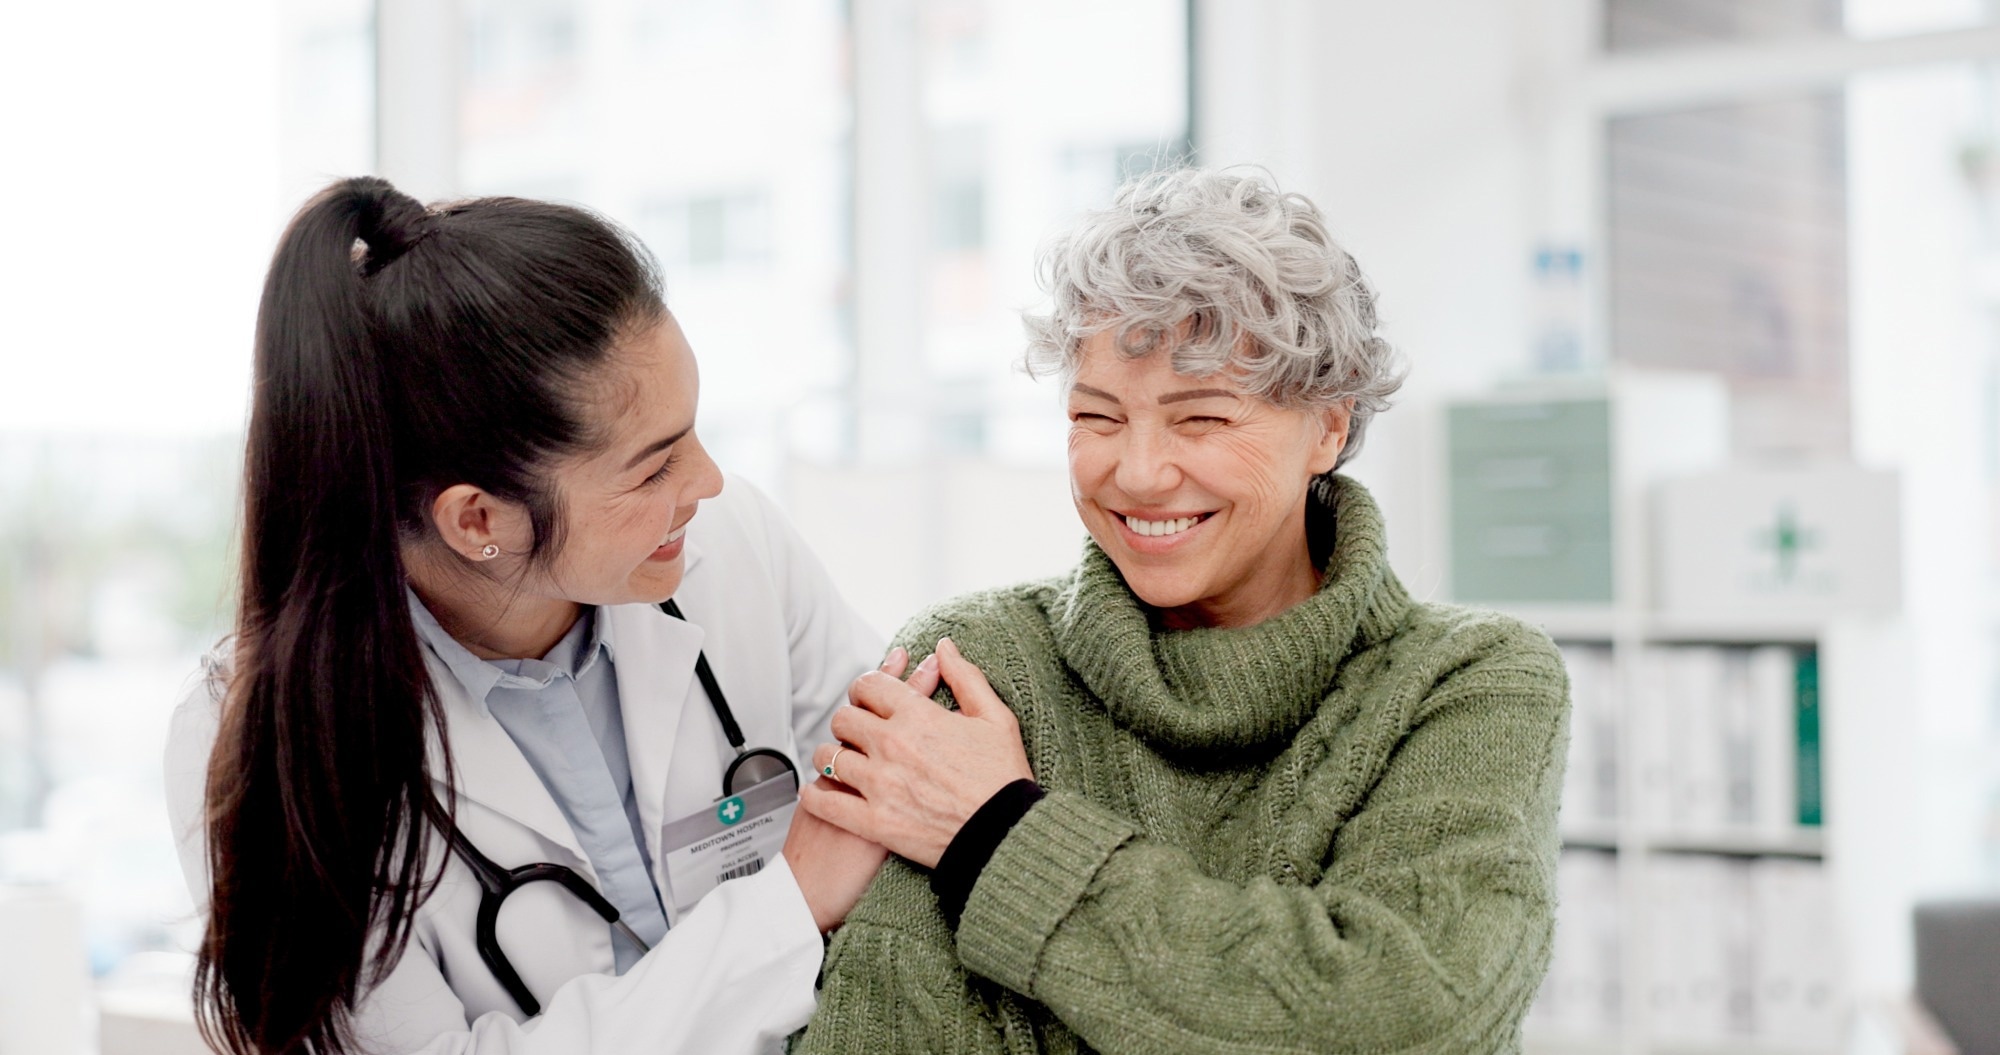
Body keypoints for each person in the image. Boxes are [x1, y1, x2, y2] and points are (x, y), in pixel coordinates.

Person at [790, 168, 1572, 1054]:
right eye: (1098, 415)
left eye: (1200, 419)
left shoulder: (1469, 681)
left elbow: (1407, 1016)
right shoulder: (979, 665)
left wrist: (998, 835)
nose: (1139, 471)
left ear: (1327, 425)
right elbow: (887, 1029)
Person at [162, 178, 921, 1055]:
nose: (707, 482)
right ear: (478, 519)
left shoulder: (732, 546)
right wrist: (783, 911)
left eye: (695, 432)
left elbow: (900, 806)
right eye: (652, 468)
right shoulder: (259, 739)